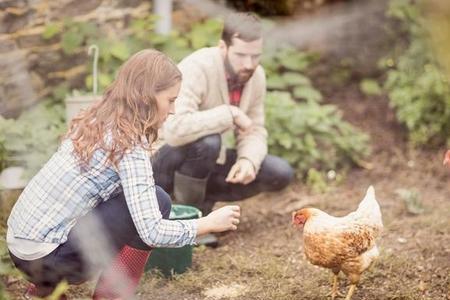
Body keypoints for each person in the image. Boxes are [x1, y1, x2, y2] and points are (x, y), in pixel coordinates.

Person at [6, 49, 241, 299]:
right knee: (159, 200)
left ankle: (42, 292)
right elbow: (151, 230)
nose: (173, 110)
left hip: (21, 248)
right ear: (147, 97)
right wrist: (206, 224)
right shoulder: (128, 143)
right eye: (170, 100)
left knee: (136, 200)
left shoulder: (100, 117)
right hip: (47, 258)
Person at [153, 13, 294, 218]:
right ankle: (185, 218)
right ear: (223, 47)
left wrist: (248, 160)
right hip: (163, 162)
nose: (249, 64)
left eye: (255, 56)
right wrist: (230, 113)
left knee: (279, 172)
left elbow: (253, 130)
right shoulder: (197, 67)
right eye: (241, 55)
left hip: (205, 161)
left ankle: (201, 204)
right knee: (209, 142)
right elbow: (174, 130)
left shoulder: (256, 76)